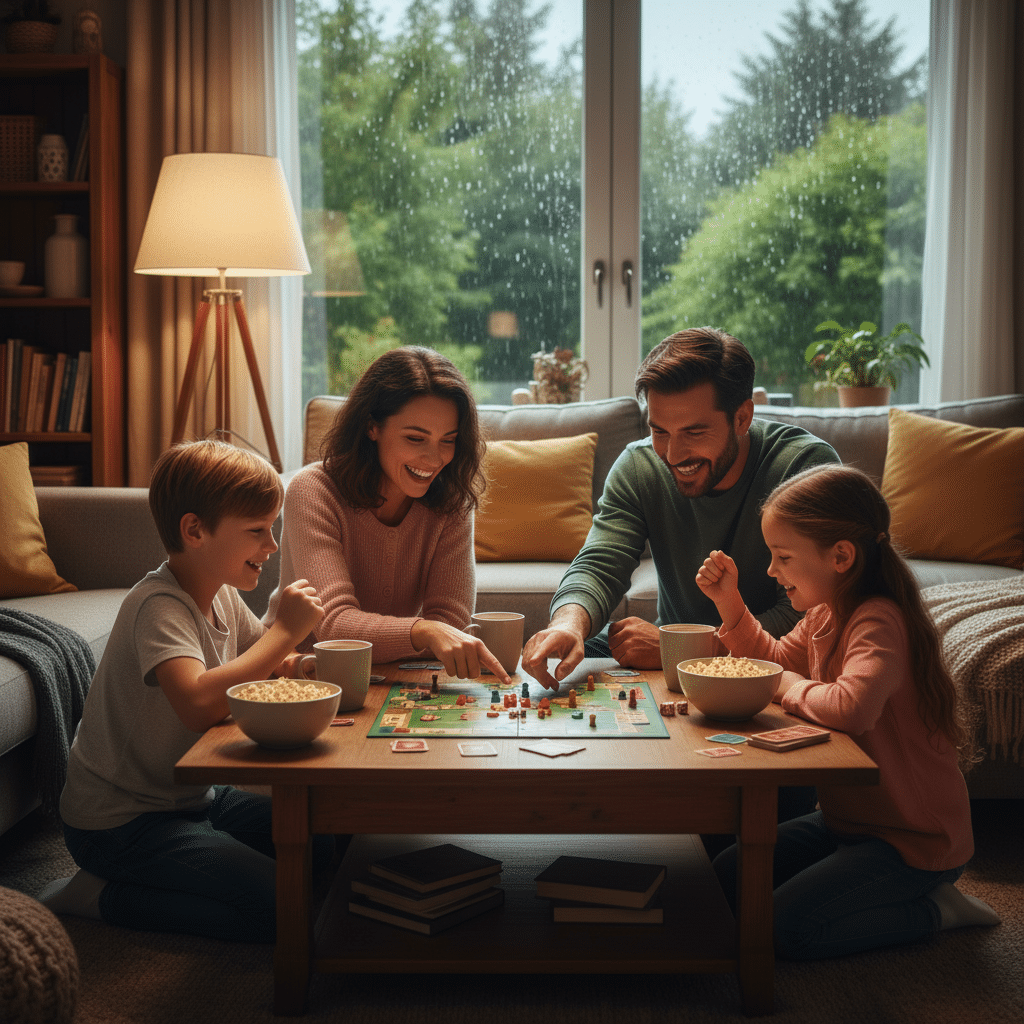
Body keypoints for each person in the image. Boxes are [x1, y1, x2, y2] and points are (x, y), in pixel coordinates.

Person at [695, 464, 1000, 959]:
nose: (772, 571)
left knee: (774, 931)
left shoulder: (878, 619)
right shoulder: (825, 611)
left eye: (783, 557)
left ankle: (937, 910)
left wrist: (790, 686)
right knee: (726, 880)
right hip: (848, 822)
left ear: (840, 556)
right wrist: (730, 605)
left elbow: (850, 708)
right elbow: (771, 663)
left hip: (912, 842)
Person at [39, 440, 333, 942]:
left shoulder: (220, 594)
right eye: (258, 531)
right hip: (119, 823)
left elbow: (260, 661)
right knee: (283, 906)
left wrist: (305, 662)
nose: (273, 545)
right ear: (194, 530)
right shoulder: (159, 606)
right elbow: (197, 703)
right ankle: (99, 896)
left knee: (327, 838)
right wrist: (286, 630)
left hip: (195, 799)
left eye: (273, 528)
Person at [521, 326, 840, 690]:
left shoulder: (804, 467)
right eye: (660, 432)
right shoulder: (639, 466)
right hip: (669, 648)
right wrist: (568, 624)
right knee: (562, 660)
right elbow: (598, 564)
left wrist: (684, 650)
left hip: (771, 662)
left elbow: (808, 620)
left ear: (741, 418)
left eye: (693, 432)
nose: (672, 456)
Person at [266, 346, 510, 682]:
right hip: (298, 674)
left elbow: (450, 624)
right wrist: (423, 632)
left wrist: (427, 634)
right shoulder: (314, 490)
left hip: (390, 674)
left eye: (448, 440)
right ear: (372, 427)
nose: (434, 458)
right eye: (415, 438)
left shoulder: (452, 499)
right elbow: (334, 627)